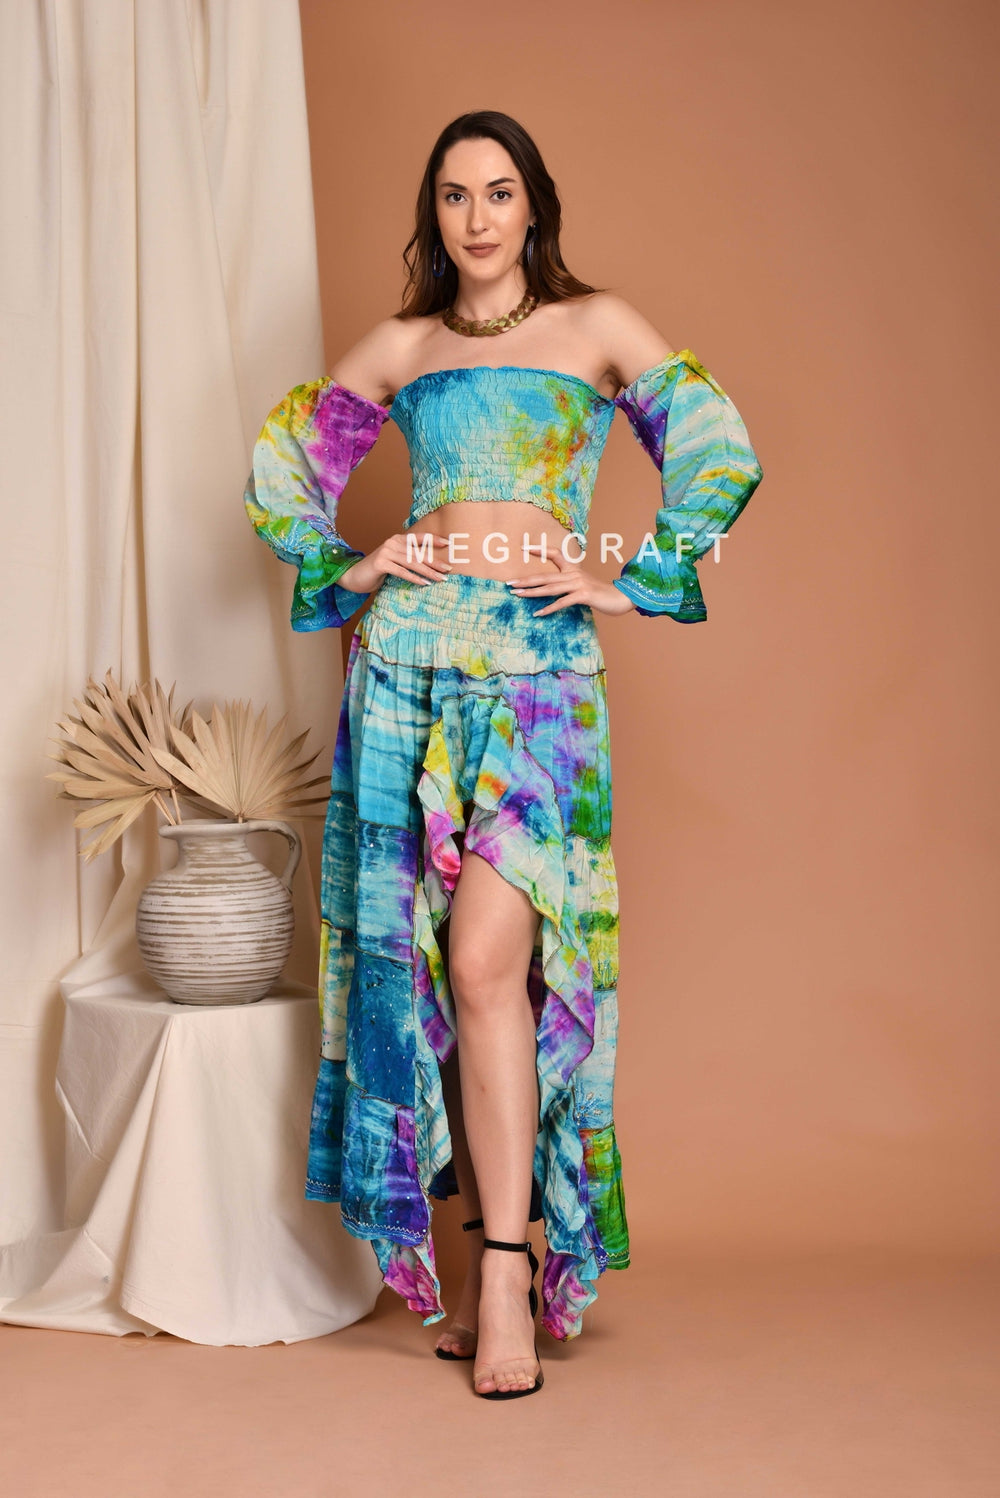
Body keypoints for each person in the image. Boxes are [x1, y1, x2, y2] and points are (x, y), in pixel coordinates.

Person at [244, 109, 763, 1400]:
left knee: (489, 959)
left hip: (537, 677)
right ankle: (489, 1260)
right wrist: (356, 563)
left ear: (535, 205)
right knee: (437, 976)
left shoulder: (595, 328)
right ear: (434, 214)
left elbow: (719, 446)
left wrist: (629, 579)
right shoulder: (406, 346)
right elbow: (281, 466)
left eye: (499, 191)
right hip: (409, 666)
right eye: (454, 195)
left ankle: (512, 1273)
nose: (477, 217)